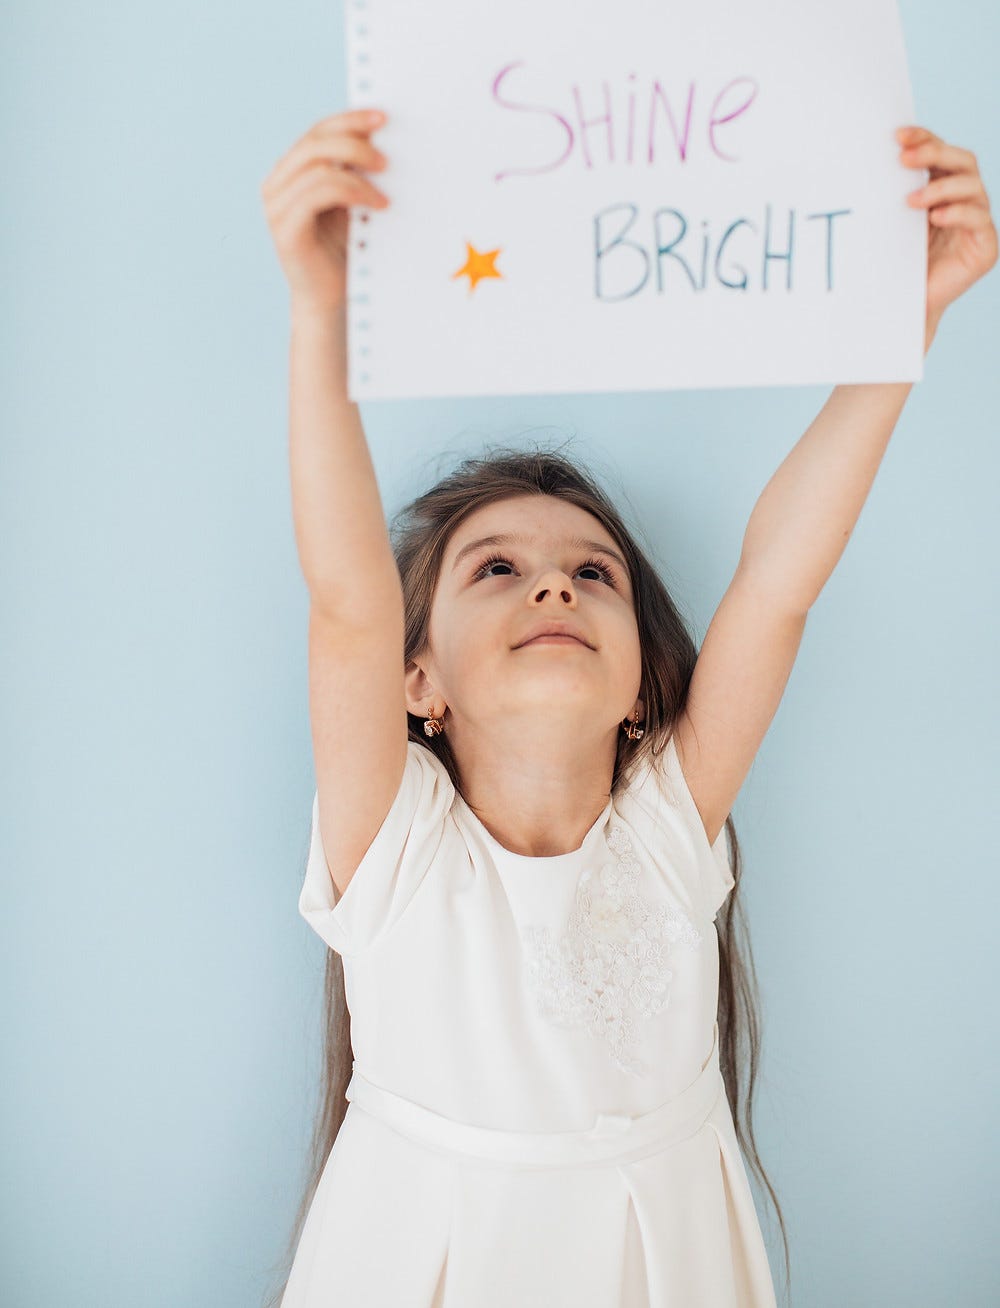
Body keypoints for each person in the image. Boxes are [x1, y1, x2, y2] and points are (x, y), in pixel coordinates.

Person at [258, 110, 997, 1307]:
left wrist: (906, 320)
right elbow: (344, 603)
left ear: (651, 685)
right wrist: (318, 313)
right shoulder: (391, 853)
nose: (552, 580)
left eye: (592, 572)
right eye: (492, 567)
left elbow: (778, 581)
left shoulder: (664, 831)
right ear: (417, 685)